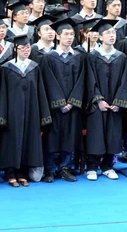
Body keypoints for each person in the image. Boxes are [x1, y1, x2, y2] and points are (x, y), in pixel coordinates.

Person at [0, 34, 51, 187]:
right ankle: (10, 173)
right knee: (12, 141)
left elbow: (40, 91)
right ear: (16, 49)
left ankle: (22, 173)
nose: (26, 50)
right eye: (23, 48)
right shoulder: (6, 68)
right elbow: (2, 93)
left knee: (28, 140)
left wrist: (42, 114)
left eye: (28, 47)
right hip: (12, 113)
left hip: (31, 111)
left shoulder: (34, 67)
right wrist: (2, 115)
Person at [39, 18, 86, 183]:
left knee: (70, 136)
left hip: (73, 106)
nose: (69, 37)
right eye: (65, 34)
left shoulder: (79, 57)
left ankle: (66, 167)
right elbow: (47, 81)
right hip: (54, 107)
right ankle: (50, 169)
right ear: (58, 36)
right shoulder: (49, 58)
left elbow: (82, 81)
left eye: (72, 34)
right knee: (52, 137)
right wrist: (60, 103)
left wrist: (72, 102)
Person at [84, 20, 127, 181]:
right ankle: (92, 166)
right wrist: (99, 100)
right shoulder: (92, 56)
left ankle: (108, 166)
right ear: (100, 37)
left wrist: (119, 101)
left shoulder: (121, 57)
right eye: (108, 33)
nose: (112, 35)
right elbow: (89, 80)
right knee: (96, 134)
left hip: (115, 104)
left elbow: (125, 81)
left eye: (113, 32)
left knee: (113, 133)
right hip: (97, 104)